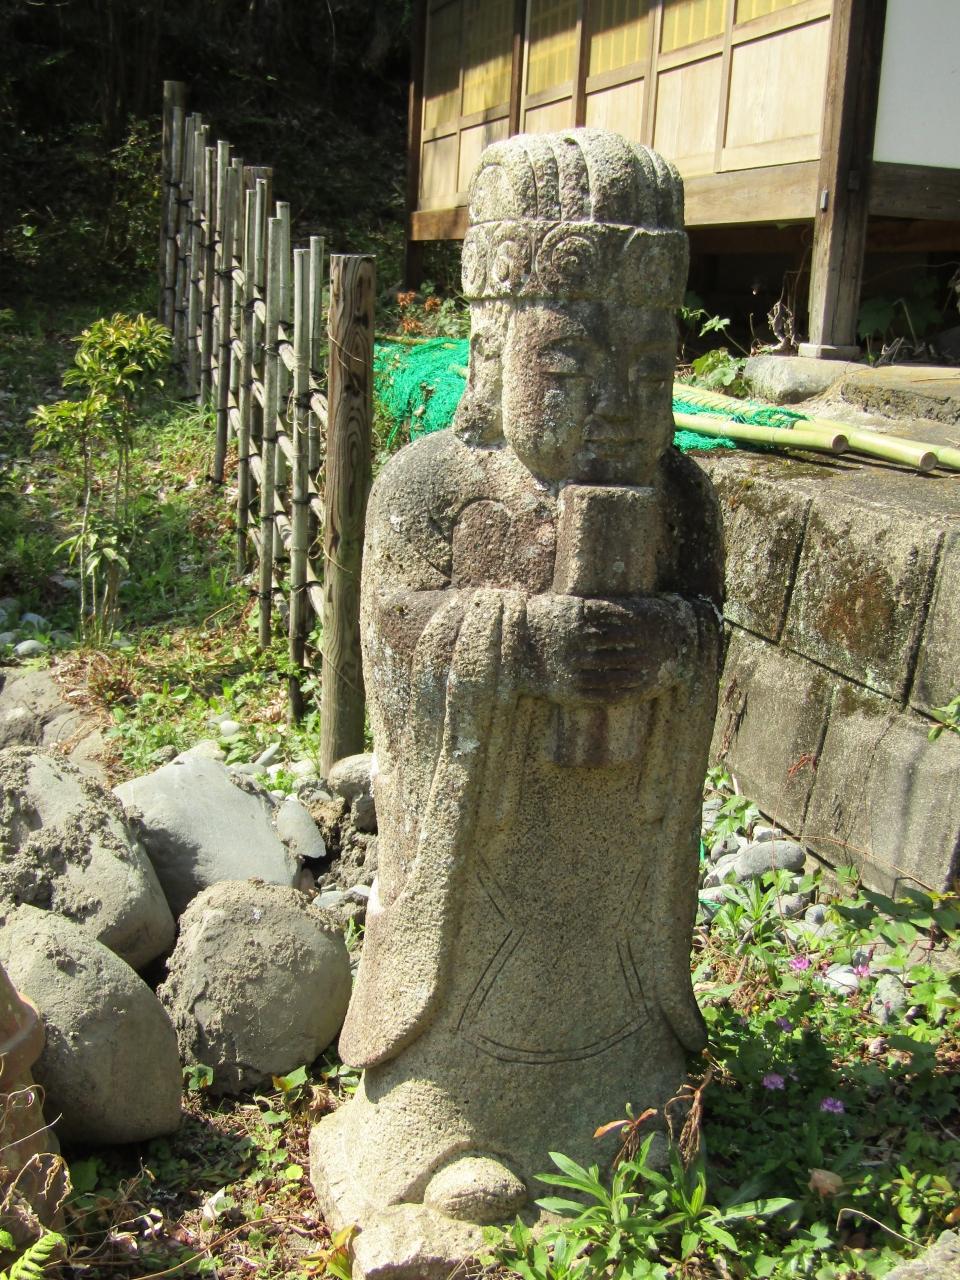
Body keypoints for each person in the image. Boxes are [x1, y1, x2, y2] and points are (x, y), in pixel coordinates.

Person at [311, 129, 724, 1243]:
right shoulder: (430, 488)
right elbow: (389, 637)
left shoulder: (683, 500)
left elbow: (711, 633)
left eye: (650, 371)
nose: (618, 404)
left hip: (615, 829)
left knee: (612, 977)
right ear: (491, 350)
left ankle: (621, 1095)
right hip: (479, 829)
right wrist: (522, 645)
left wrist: (670, 646)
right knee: (468, 970)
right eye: (571, 369)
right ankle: (448, 1116)